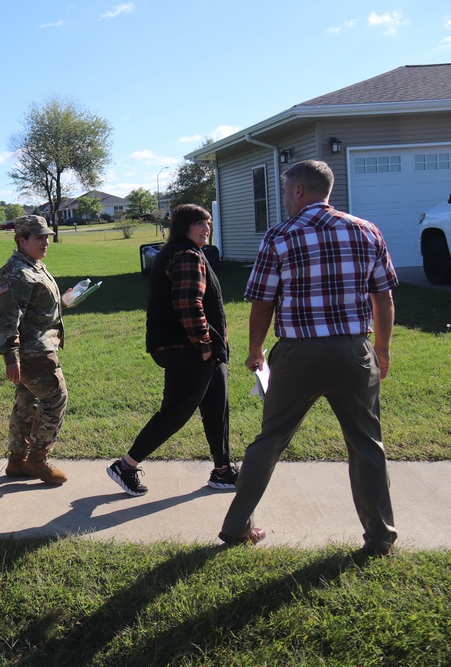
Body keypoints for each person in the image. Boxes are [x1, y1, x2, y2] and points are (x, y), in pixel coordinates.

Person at [219, 160, 398, 555]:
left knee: (270, 439)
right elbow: (383, 297)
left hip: (298, 355)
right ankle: (380, 538)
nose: (285, 198)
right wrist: (381, 349)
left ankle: (235, 526)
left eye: (285, 191)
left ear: (298, 190)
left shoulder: (279, 236)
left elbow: (263, 302)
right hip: (354, 351)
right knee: (367, 444)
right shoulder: (367, 231)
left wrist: (254, 350)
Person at [107, 204, 235, 496]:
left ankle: (223, 469)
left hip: (199, 350)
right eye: (200, 224)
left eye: (209, 223)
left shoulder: (178, 252)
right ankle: (125, 466)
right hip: (188, 349)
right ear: (184, 227)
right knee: (177, 411)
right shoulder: (186, 255)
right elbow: (188, 305)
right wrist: (204, 345)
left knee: (217, 407)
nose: (207, 229)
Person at [0, 214, 69, 484]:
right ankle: (38, 459)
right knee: (55, 397)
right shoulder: (18, 273)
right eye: (38, 237)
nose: (45, 242)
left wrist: (63, 302)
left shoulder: (33, 265)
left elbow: (34, 306)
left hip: (38, 346)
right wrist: (11, 357)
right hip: (33, 352)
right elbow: (6, 318)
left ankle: (16, 461)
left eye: (47, 236)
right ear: (21, 240)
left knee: (26, 403)